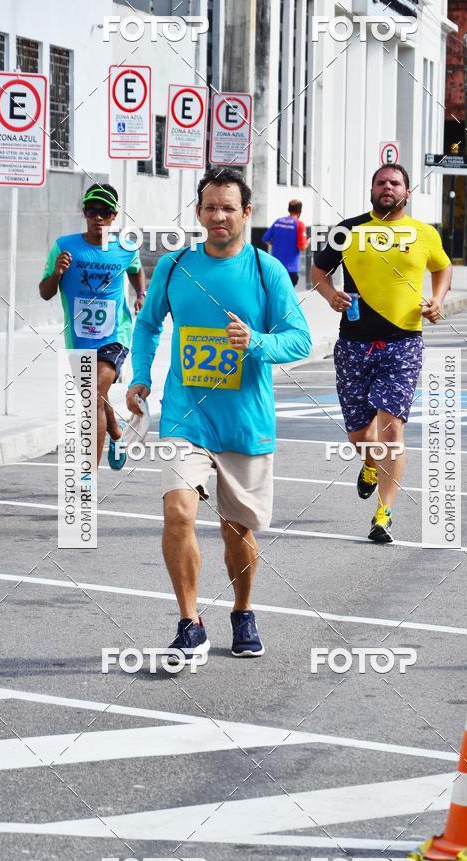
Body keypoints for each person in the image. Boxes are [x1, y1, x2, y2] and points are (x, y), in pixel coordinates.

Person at [126, 167, 311, 662]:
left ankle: (243, 610)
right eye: (210, 207)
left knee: (237, 532)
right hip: (186, 416)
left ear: (246, 213)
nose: (219, 216)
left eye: (229, 207)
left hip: (244, 420)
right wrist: (140, 375)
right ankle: (190, 622)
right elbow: (147, 325)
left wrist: (256, 342)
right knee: (178, 512)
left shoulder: (266, 269)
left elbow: (301, 339)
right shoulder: (173, 265)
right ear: (199, 212)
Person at [311, 163, 452, 543]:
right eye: (380, 182)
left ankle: (384, 513)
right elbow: (319, 270)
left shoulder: (423, 233)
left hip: (403, 343)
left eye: (395, 182)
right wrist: (330, 295)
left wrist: (436, 301)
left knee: (392, 430)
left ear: (407, 192)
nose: (387, 187)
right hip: (354, 343)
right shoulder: (348, 229)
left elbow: (443, 269)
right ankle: (369, 462)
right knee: (360, 436)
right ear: (371, 189)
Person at [39, 183, 146, 468]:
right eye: (91, 211)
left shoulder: (125, 246)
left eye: (104, 212)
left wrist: (141, 294)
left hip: (115, 334)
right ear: (84, 212)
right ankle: (116, 432)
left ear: (114, 216)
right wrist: (58, 272)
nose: (98, 217)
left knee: (92, 397)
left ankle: (88, 478)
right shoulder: (64, 246)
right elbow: (45, 292)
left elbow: (136, 270)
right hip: (78, 338)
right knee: (96, 395)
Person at [262, 199, 308, 286]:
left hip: (275, 267)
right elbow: (302, 247)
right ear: (300, 211)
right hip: (290, 269)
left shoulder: (278, 221)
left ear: (288, 209)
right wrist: (307, 242)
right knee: (287, 297)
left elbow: (265, 238)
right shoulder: (299, 225)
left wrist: (275, 243)